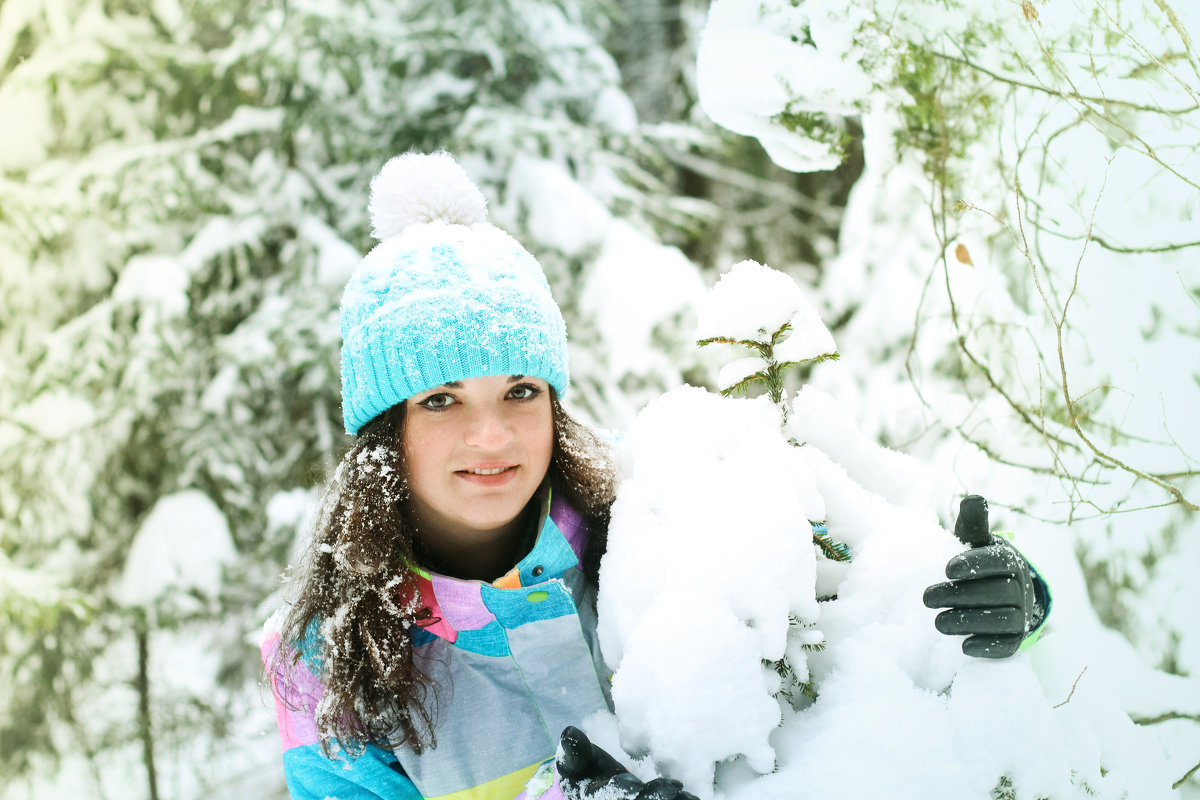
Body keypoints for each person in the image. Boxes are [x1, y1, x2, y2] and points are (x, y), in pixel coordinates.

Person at [262, 152, 1051, 800]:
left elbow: (873, 590)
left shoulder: (664, 508)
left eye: (520, 391)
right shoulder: (331, 664)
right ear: (383, 431)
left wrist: (1008, 597)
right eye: (440, 399)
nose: (492, 433)